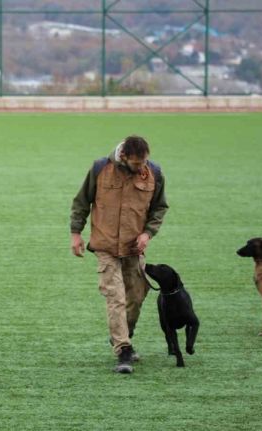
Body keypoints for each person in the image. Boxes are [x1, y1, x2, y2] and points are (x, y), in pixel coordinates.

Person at [70, 136, 168, 374]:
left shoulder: (154, 172)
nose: (141, 167)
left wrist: (147, 234)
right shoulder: (99, 169)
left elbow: (159, 207)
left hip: (135, 248)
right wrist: (76, 233)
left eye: (144, 162)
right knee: (116, 297)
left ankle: (123, 335)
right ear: (123, 156)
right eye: (137, 163)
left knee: (136, 296)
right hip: (105, 246)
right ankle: (123, 350)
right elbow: (81, 202)